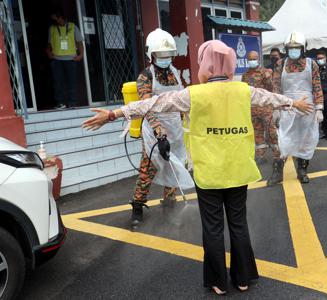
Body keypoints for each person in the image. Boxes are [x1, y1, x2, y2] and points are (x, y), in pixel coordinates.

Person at [82, 40, 313, 295]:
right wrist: (295, 104)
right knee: (238, 224)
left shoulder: (193, 94)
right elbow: (271, 98)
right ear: (229, 64)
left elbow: (152, 104)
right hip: (238, 169)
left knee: (213, 227)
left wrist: (114, 114)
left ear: (205, 64)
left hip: (209, 172)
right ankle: (243, 277)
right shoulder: (244, 90)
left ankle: (218, 281)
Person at [130, 28, 192, 226]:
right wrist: (159, 133)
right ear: (152, 55)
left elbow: (181, 99)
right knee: (148, 170)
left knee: (173, 165)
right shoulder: (146, 76)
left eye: (169, 55)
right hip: (154, 130)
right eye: (161, 55)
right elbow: (146, 107)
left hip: (174, 127)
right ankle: (138, 205)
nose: (166, 59)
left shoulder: (174, 73)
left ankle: (170, 200)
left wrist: (189, 117)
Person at [272, 31, 324, 184]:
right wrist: (276, 108)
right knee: (282, 138)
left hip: (307, 107)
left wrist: (319, 108)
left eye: (296, 47)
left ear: (303, 49)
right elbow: (276, 87)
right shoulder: (281, 64)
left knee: (305, 138)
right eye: (290, 48)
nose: (293, 50)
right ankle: (277, 172)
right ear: (286, 49)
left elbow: (316, 86)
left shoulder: (311, 64)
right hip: (287, 105)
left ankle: (302, 170)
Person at [241, 51, 284, 185]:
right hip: (253, 108)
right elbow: (244, 91)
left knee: (271, 132)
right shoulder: (245, 75)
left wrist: (267, 78)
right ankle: (260, 155)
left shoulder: (266, 72)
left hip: (266, 108)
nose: (252, 61)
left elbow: (273, 88)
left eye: (254, 59)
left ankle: (278, 155)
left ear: (258, 59)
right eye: (250, 59)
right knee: (257, 133)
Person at [46, 8, 84, 109]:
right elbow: (49, 44)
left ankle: (72, 103)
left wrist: (81, 54)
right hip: (57, 59)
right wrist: (49, 52)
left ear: (62, 17)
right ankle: (60, 103)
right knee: (58, 82)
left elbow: (79, 42)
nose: (57, 21)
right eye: (55, 19)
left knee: (72, 82)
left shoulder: (72, 27)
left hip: (71, 59)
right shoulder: (52, 28)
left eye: (58, 18)